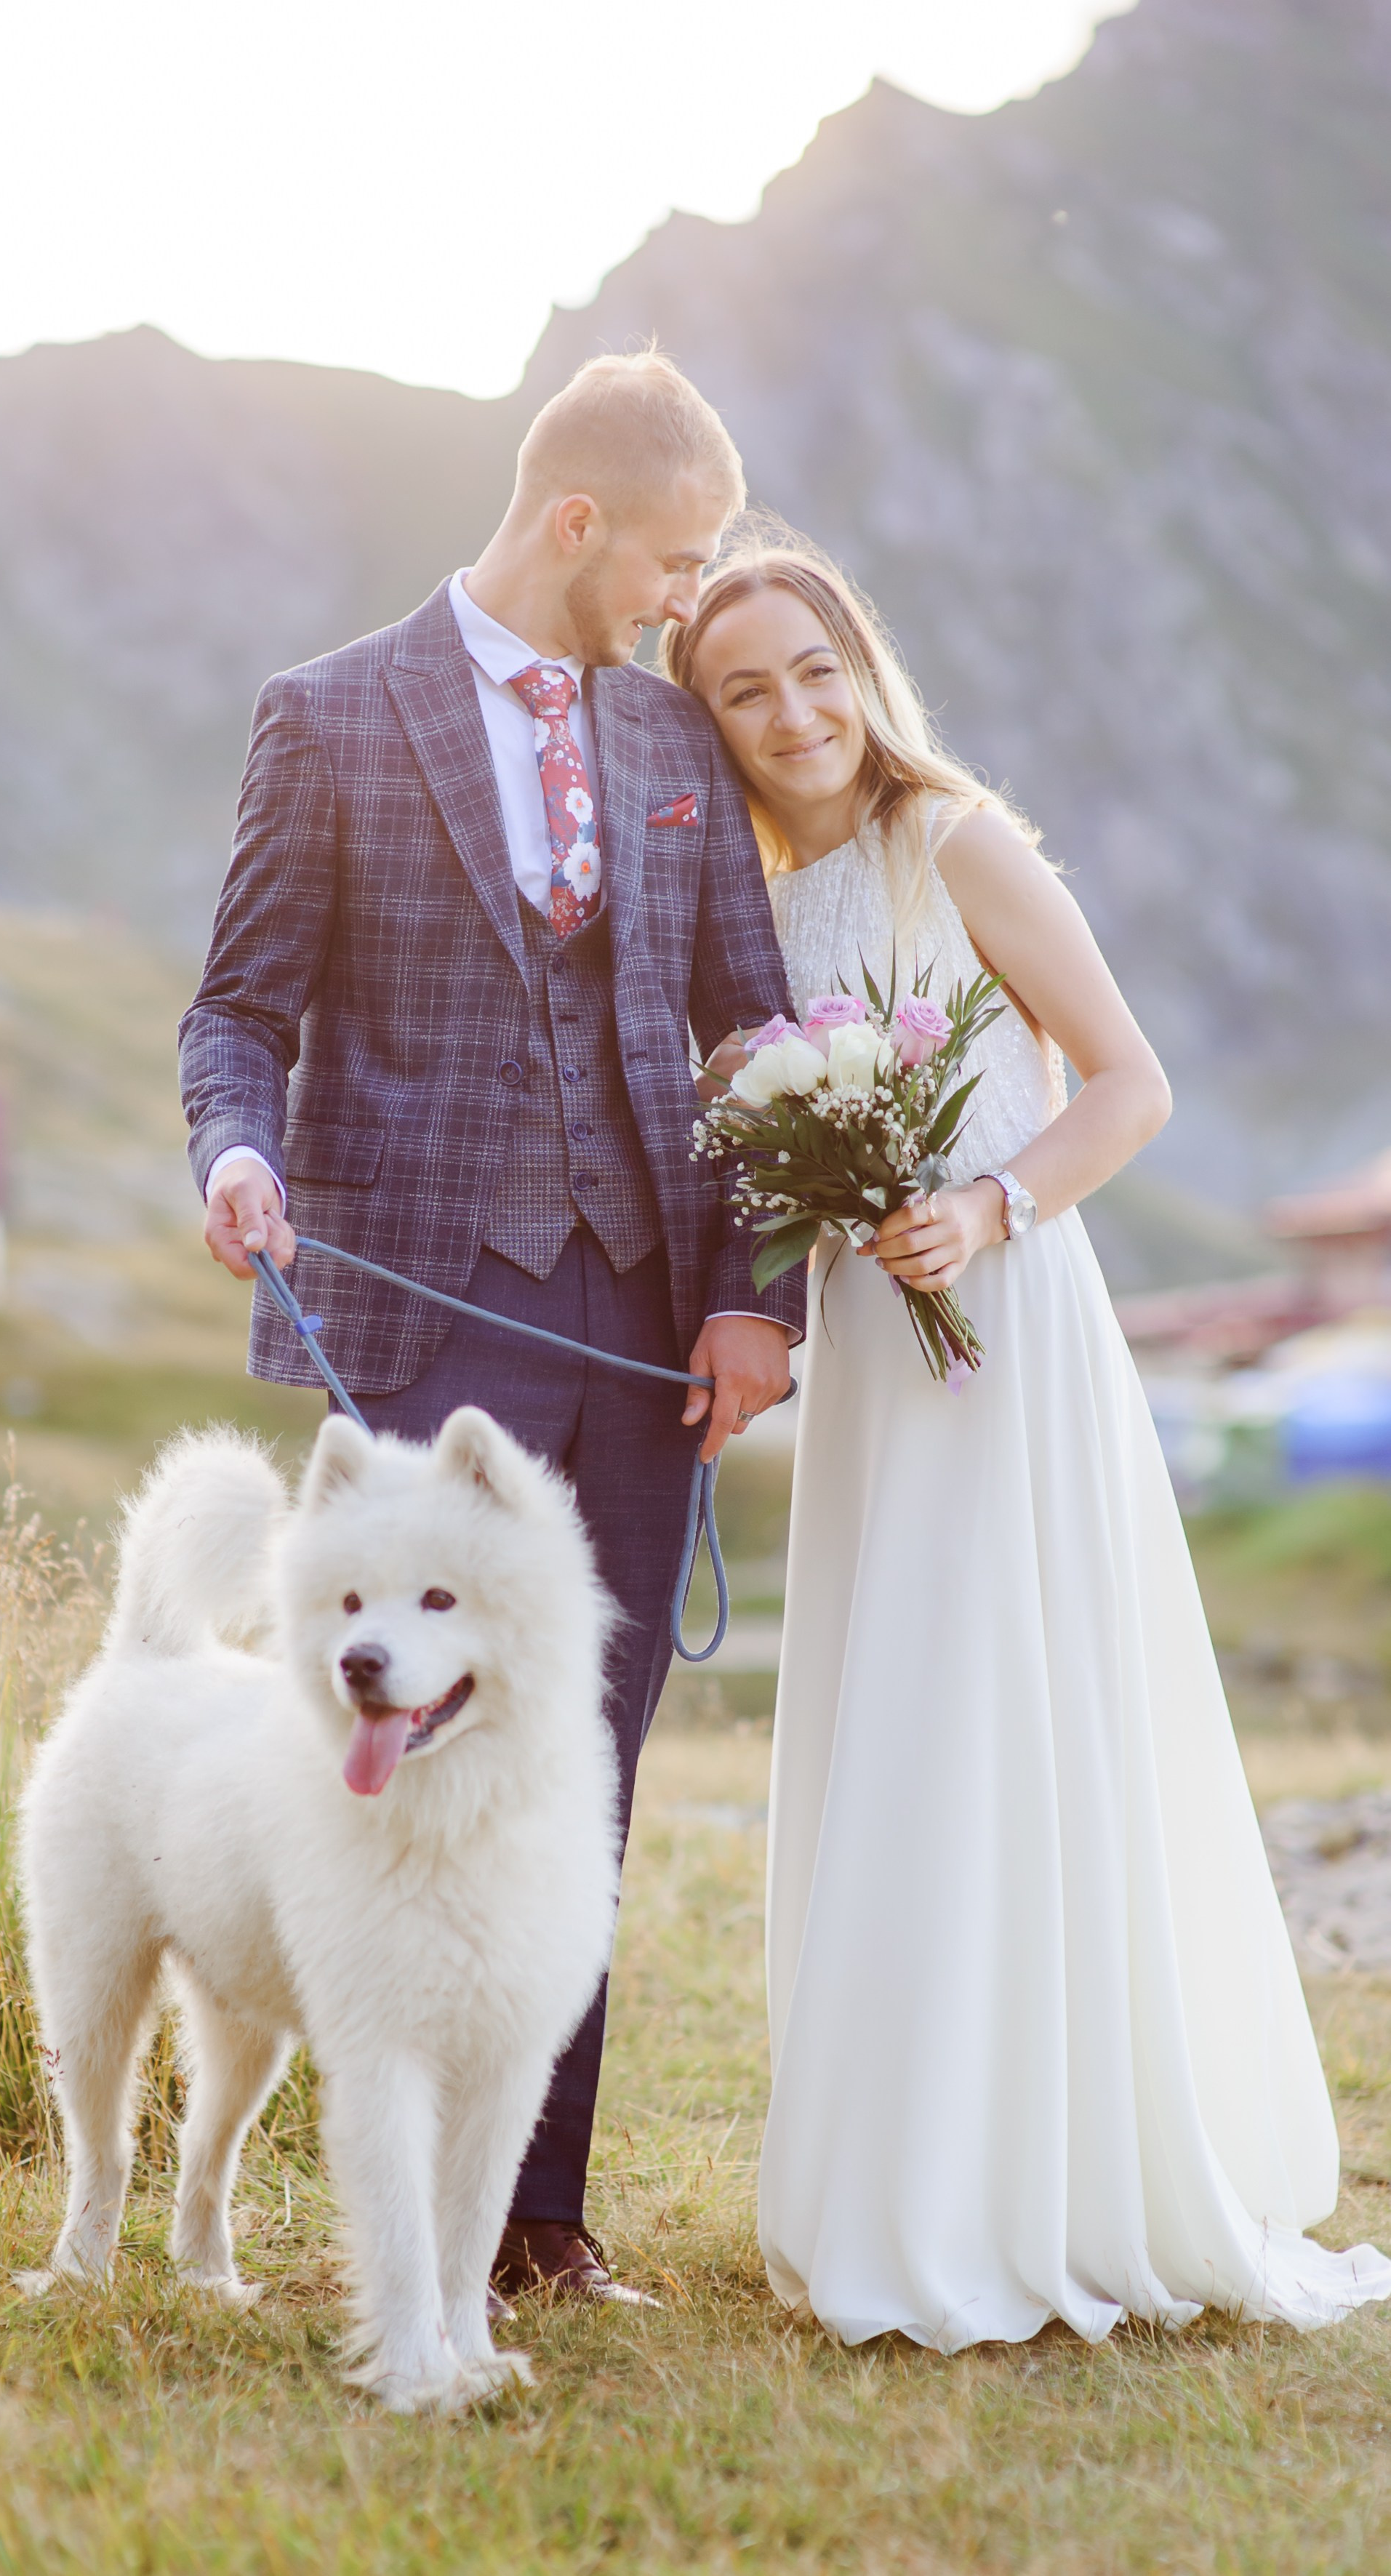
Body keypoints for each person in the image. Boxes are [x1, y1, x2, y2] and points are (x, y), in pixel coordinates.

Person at [667, 538, 1391, 2350]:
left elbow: (1131, 1080)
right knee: (903, 1717)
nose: (793, 713)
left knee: (1018, 1706)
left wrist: (989, 1206)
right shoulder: (749, 908)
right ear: (712, 724)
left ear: (862, 664)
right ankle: (909, 2173)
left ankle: (1066, 2175)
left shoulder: (957, 842)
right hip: (874, 1359)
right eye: (745, 691)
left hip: (1010, 1327)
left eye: (813, 669)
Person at [180, 356, 805, 2303]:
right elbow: (236, 1011)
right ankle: (392, 2198)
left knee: (580, 1765)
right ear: (572, 526)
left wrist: (748, 1296)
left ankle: (534, 2221)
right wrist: (231, 1154)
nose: (684, 603)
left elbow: (755, 1037)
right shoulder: (332, 716)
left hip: (637, 1320)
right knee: (400, 1757)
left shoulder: (670, 745)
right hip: (423, 1330)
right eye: (674, 561)